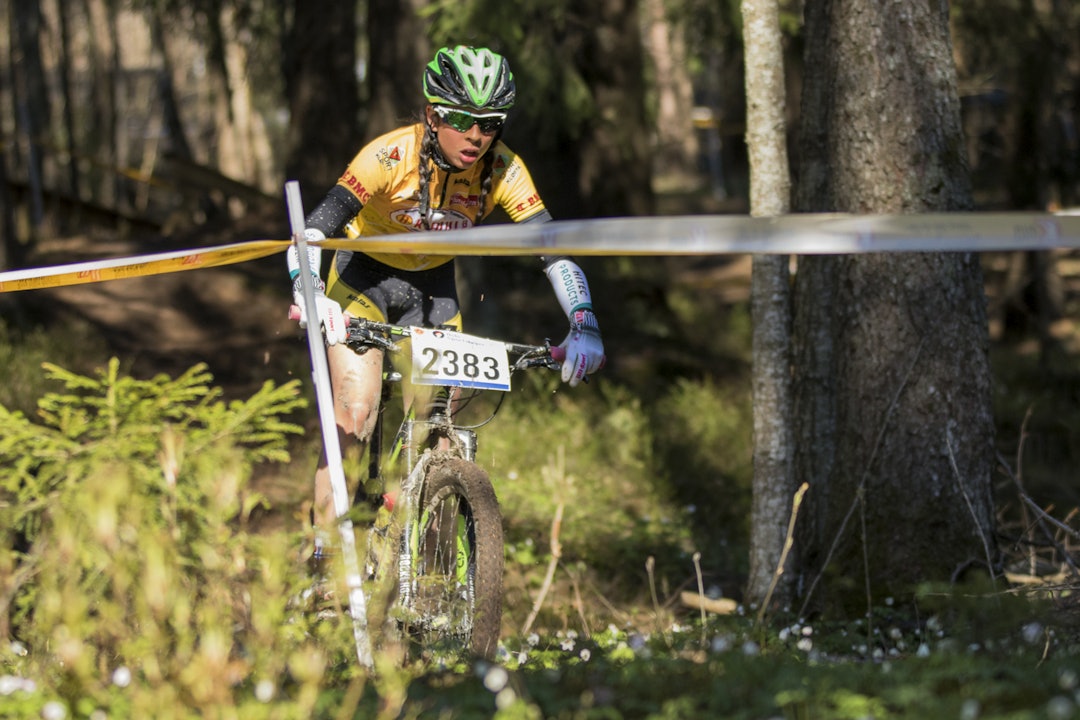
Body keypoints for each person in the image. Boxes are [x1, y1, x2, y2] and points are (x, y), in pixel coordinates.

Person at [286, 45, 605, 559]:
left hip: (434, 292)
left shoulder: (503, 169)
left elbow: (553, 250)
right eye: (461, 120)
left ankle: (429, 575)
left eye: (490, 123)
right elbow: (313, 230)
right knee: (357, 409)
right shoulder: (389, 156)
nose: (476, 136)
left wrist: (584, 320)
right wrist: (310, 291)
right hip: (362, 282)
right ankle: (323, 557)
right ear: (433, 115)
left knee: (442, 432)